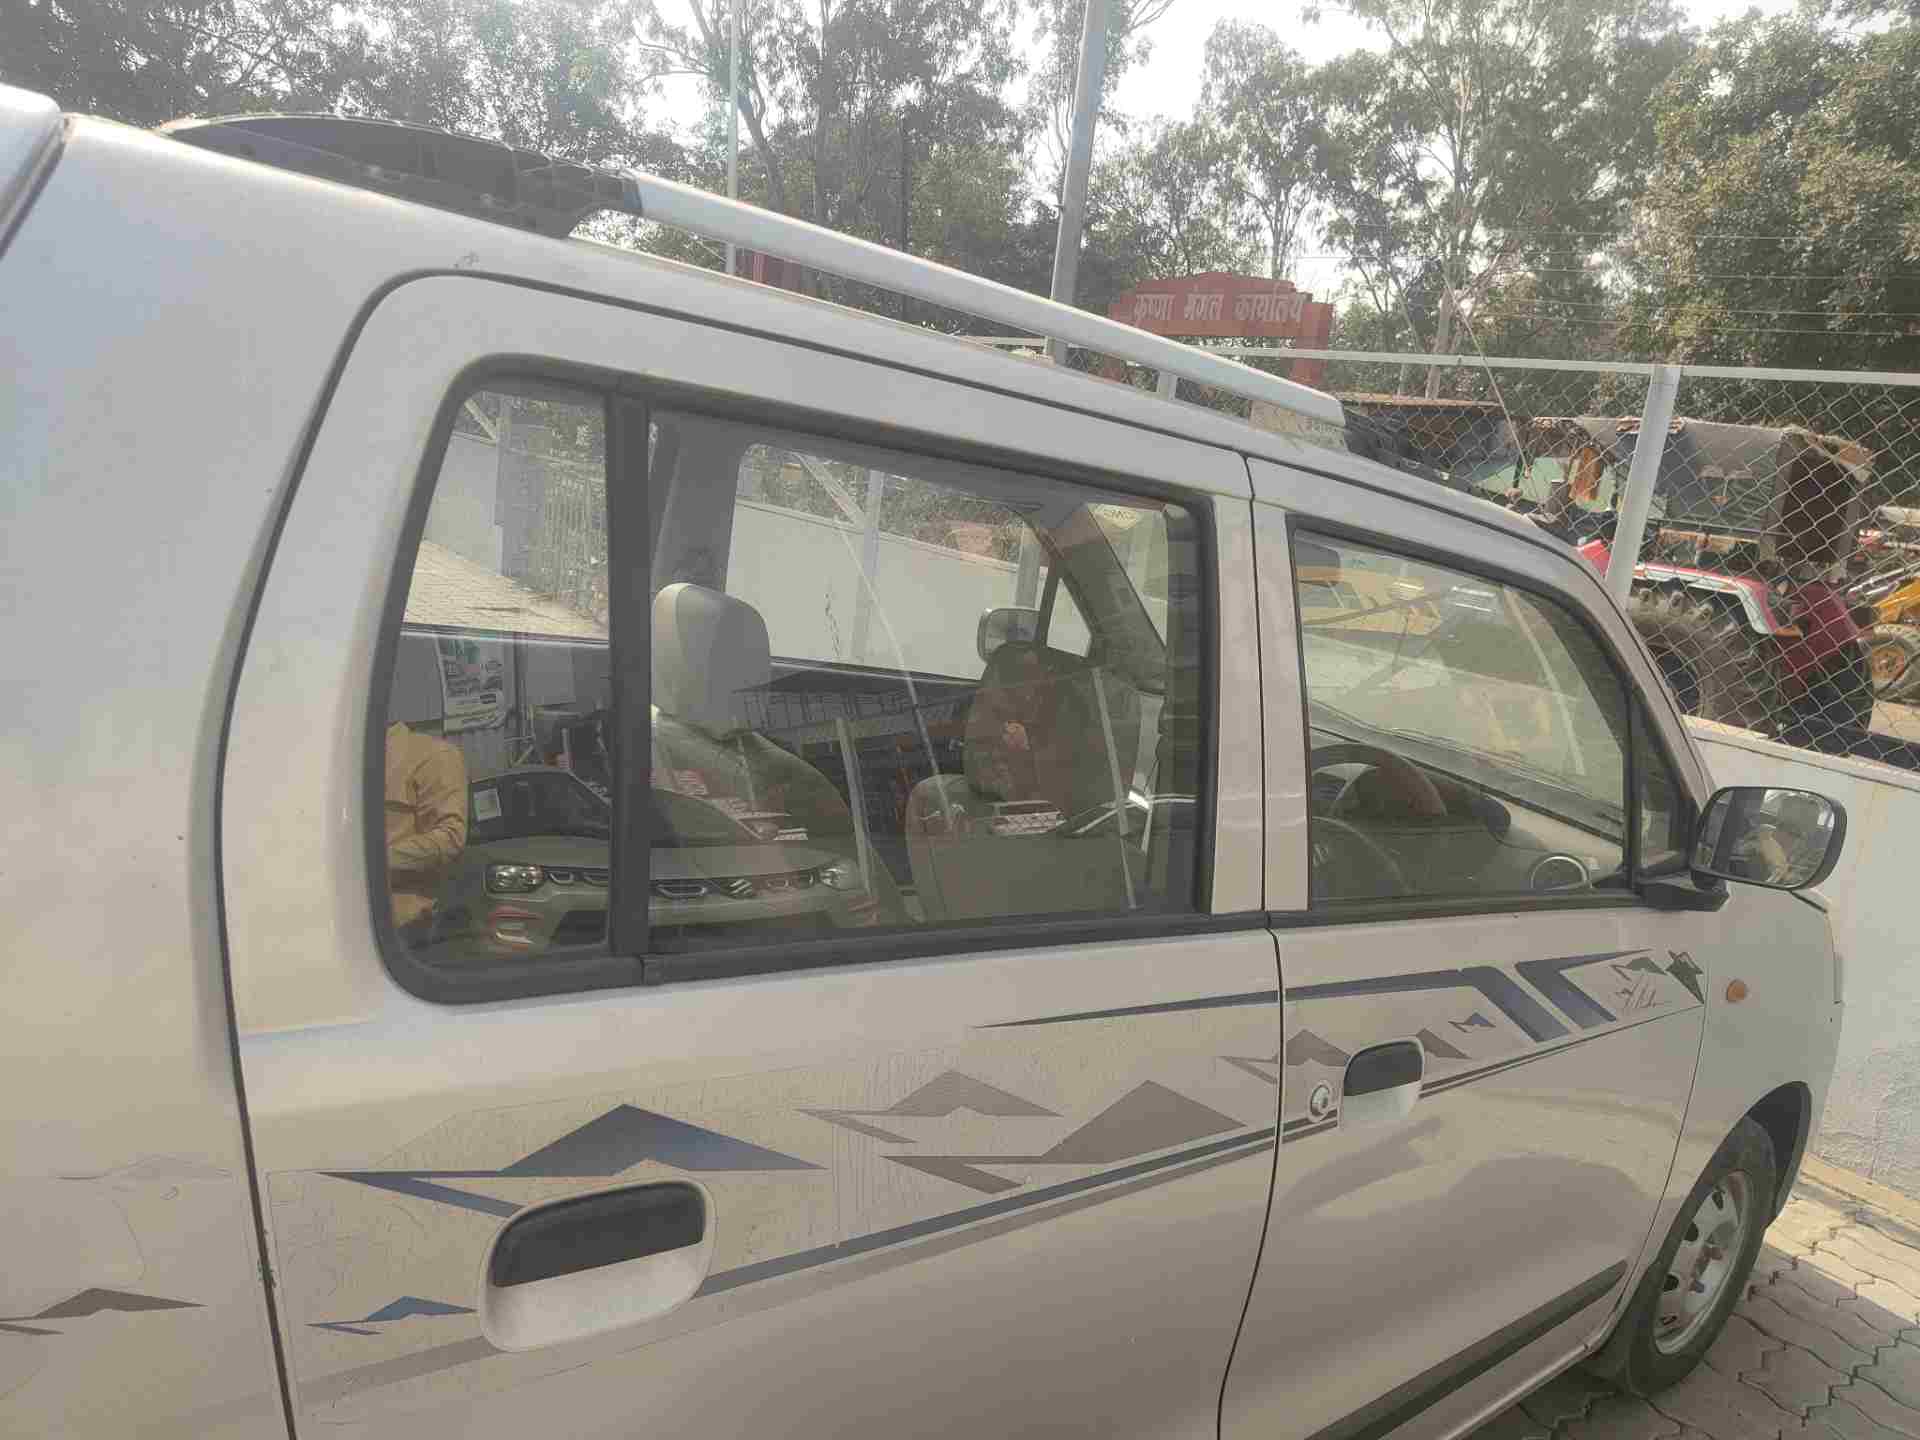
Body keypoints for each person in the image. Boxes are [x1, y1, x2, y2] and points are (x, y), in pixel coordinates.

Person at [385, 719, 468, 945]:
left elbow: (450, 838)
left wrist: (372, 863)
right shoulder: (340, 769)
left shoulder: (432, 755)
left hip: (406, 930)